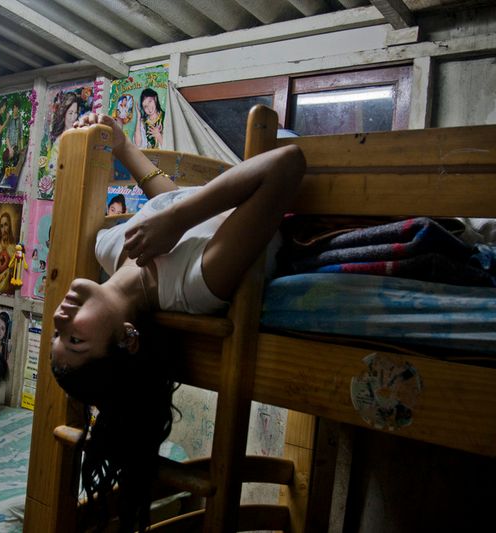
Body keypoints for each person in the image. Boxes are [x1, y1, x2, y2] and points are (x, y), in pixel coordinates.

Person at [49, 113, 306, 531]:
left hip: (233, 178)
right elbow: (288, 163)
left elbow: (170, 203)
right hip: (286, 178)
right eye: (74, 338)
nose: (60, 317)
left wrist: (123, 147)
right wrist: (179, 220)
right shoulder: (196, 286)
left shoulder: (108, 249)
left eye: (56, 333)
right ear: (127, 338)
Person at [41, 91, 80, 199]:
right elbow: (51, 171)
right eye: (70, 113)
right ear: (64, 114)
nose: (73, 117)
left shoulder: (78, 136)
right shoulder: (58, 140)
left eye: (75, 113)